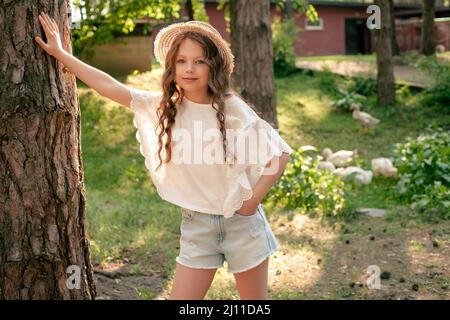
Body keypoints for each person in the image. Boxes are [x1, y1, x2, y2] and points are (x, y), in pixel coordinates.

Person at [36, 12, 293, 300]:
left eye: (199, 61)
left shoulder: (231, 107)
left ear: (214, 66)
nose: (189, 68)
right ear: (171, 67)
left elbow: (279, 153)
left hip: (243, 225)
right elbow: (109, 86)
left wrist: (252, 201)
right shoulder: (163, 107)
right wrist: (60, 54)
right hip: (197, 225)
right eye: (181, 61)